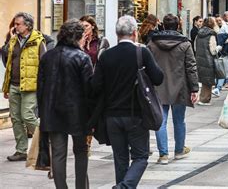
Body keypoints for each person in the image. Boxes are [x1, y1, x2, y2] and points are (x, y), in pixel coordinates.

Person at [89, 15, 164, 188]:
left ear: (117, 34)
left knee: (120, 158)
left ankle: (122, 185)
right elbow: (158, 78)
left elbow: (95, 85)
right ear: (135, 33)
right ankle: (123, 187)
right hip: (136, 114)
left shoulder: (106, 56)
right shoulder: (141, 52)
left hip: (112, 116)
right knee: (141, 156)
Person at [37, 19, 93, 189]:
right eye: (83, 36)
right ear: (77, 37)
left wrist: (42, 112)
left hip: (52, 112)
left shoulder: (47, 56)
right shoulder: (82, 57)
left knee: (58, 154)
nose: (84, 40)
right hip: (77, 113)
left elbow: (40, 88)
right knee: (81, 152)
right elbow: (89, 90)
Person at [148, 14, 199, 164]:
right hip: (180, 86)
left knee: (161, 121)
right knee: (179, 120)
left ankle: (163, 154)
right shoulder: (185, 44)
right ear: (177, 26)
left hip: (159, 87)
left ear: (163, 26)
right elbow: (191, 67)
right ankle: (179, 150)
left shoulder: (152, 43)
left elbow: (147, 66)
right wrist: (194, 88)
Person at [2, 12, 46, 161]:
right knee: (15, 118)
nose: (15, 26)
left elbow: (44, 64)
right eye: (15, 24)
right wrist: (6, 87)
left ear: (27, 25)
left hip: (31, 86)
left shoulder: (39, 41)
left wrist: (43, 86)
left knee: (27, 115)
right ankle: (21, 150)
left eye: (18, 24)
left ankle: (44, 141)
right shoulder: (14, 40)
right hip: (14, 85)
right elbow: (7, 62)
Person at [195, 17, 220, 105]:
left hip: (200, 59)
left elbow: (195, 47)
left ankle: (203, 98)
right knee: (208, 80)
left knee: (204, 80)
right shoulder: (211, 34)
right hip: (208, 60)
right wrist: (219, 48)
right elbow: (213, 50)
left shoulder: (199, 34)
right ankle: (204, 99)